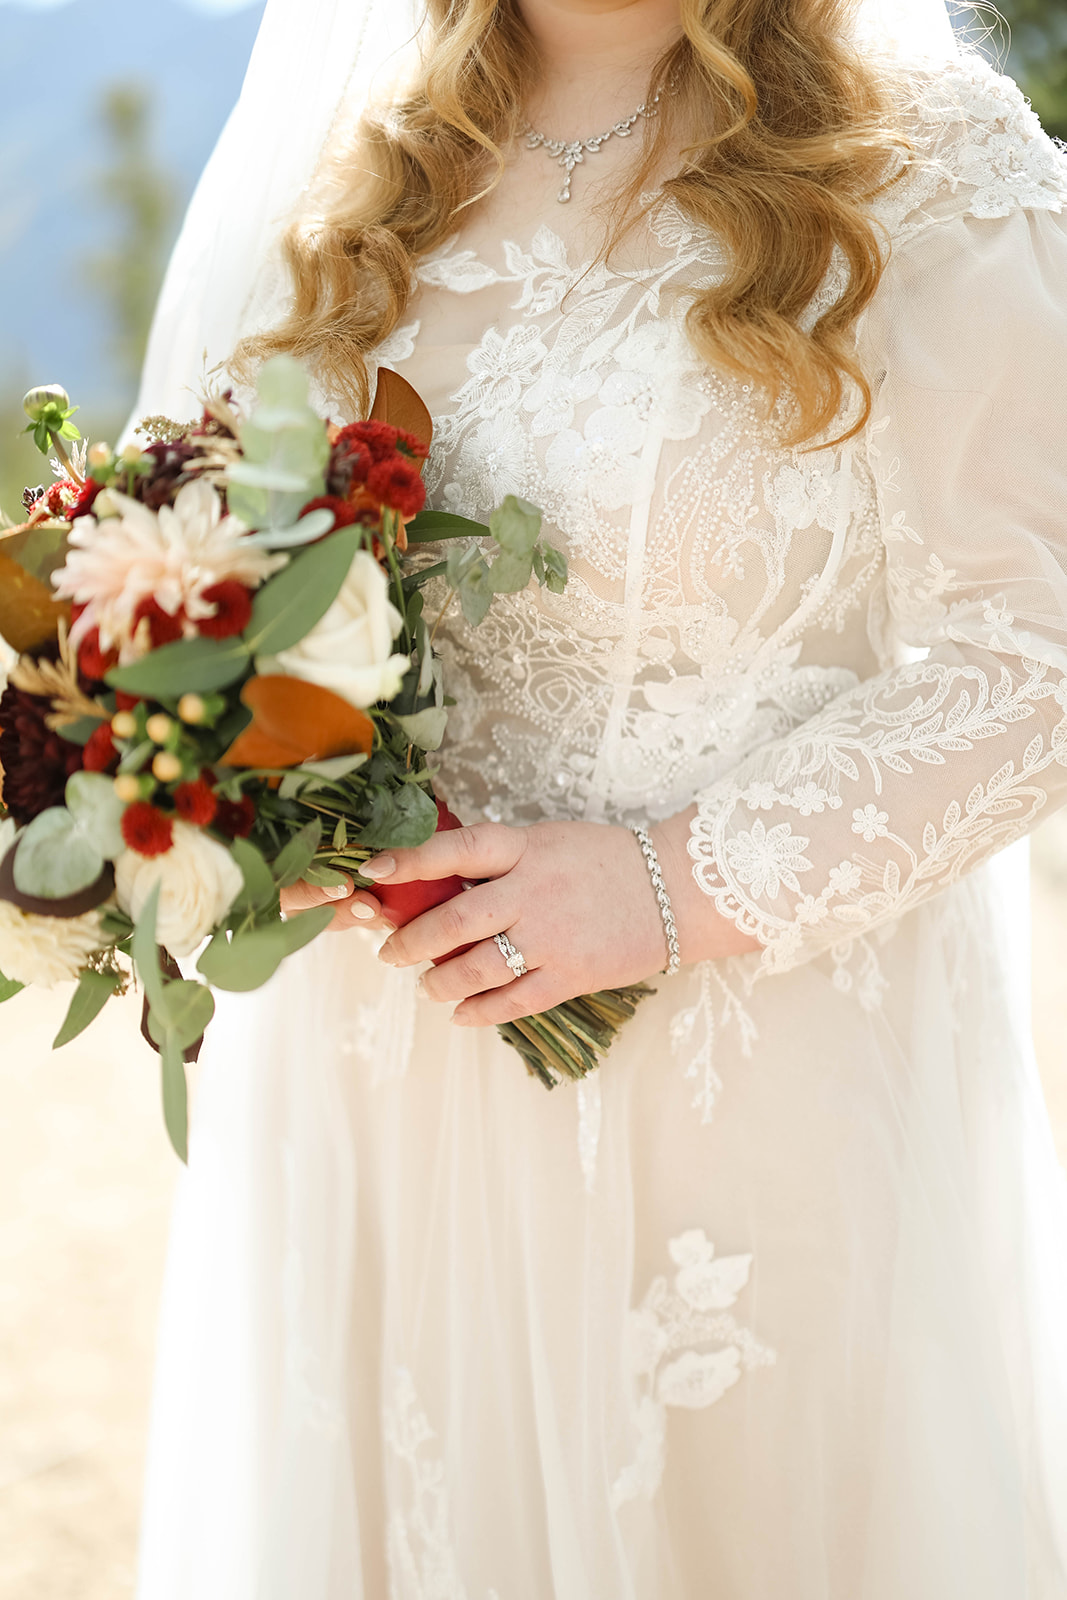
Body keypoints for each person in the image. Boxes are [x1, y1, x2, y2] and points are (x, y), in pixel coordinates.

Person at [132, 0, 1067, 1594]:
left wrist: (672, 884)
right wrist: (224, 784)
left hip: (746, 1094)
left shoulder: (929, 156)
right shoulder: (350, 170)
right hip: (386, 1094)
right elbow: (213, 556)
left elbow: (1037, 647)